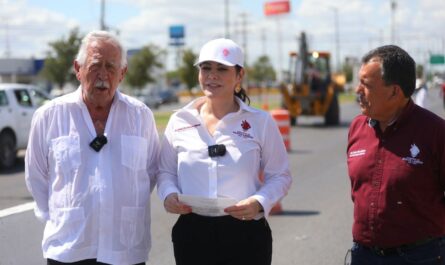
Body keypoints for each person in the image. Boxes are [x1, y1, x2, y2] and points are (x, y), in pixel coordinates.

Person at [25, 30, 160, 265]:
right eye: (96, 65)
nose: (103, 75)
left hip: (125, 250)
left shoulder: (140, 116)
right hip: (69, 248)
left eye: (111, 67)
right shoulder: (50, 116)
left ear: (123, 73)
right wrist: (62, 217)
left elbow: (151, 171)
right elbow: (36, 175)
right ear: (78, 68)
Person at [156, 38, 292, 265]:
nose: (212, 75)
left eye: (222, 69)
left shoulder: (260, 121)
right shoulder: (179, 120)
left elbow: (280, 175)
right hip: (192, 232)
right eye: (206, 68)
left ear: (239, 76)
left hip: (245, 233)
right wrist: (169, 194)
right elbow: (165, 172)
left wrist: (259, 202)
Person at [347, 45, 445, 265]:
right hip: (364, 255)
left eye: (366, 84)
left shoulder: (435, 132)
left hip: (420, 257)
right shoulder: (357, 128)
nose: (357, 90)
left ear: (394, 92)